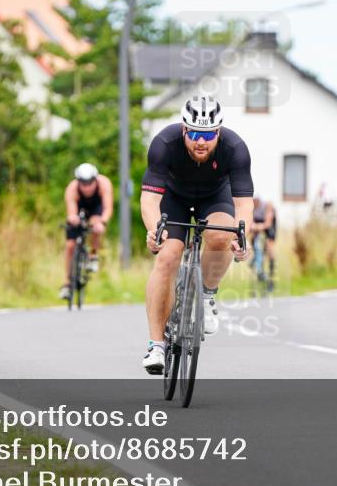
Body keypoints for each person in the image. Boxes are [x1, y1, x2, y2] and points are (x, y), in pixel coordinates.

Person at [139, 96, 253, 374]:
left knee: (221, 235)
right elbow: (150, 200)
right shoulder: (164, 145)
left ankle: (206, 295)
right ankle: (156, 346)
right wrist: (155, 231)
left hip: (215, 197)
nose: (201, 141)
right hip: (174, 199)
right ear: (183, 130)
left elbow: (243, 204)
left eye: (208, 134)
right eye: (194, 133)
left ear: (218, 131)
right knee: (167, 258)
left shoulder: (235, 148)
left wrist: (242, 236)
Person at [60, 163, 113, 300]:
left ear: (95, 179)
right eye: (83, 183)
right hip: (79, 209)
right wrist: (73, 218)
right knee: (70, 245)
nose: (87, 187)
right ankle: (67, 283)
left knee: (96, 224)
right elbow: (71, 211)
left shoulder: (104, 184)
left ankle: (93, 255)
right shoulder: (71, 189)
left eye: (90, 182)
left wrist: (103, 222)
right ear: (78, 181)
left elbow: (108, 209)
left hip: (97, 208)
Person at [250, 197, 277, 283]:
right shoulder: (251, 206)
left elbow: (267, 224)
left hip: (269, 228)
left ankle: (271, 273)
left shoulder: (267, 206)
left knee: (269, 248)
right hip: (258, 228)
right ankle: (259, 270)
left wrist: (256, 227)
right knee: (256, 246)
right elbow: (251, 222)